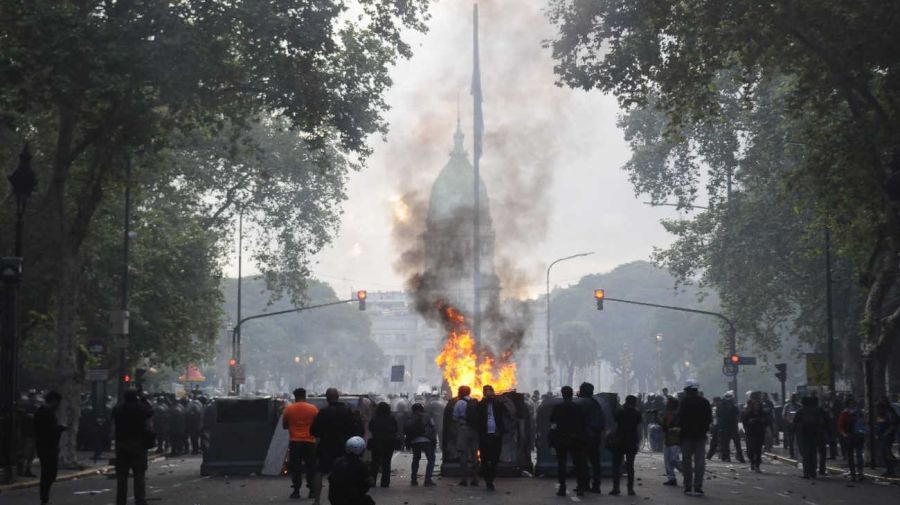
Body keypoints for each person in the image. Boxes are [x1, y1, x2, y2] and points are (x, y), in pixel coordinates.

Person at [311, 388, 363, 505]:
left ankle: (316, 500)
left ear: (327, 398)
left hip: (326, 447)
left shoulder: (323, 412)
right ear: (338, 397)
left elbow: (314, 430)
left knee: (319, 471)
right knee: (344, 472)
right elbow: (354, 430)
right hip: (343, 448)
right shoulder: (347, 411)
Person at [112, 389, 154, 505]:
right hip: (138, 443)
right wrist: (144, 399)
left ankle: (121, 501)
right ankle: (140, 500)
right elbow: (151, 412)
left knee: (121, 475)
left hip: (121, 443)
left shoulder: (118, 408)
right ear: (136, 397)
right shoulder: (141, 408)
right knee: (139, 474)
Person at [550, 385, 588, 496]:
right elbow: (582, 424)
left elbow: (553, 424)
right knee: (578, 464)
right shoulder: (578, 407)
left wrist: (552, 439)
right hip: (575, 439)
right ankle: (580, 487)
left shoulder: (558, 408)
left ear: (562, 394)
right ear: (572, 394)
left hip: (561, 439)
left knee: (561, 464)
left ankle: (562, 487)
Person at [283, 388, 319, 499]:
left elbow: (284, 426)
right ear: (305, 396)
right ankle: (312, 490)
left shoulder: (289, 409)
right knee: (311, 466)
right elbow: (317, 424)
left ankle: (296, 490)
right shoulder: (313, 409)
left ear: (295, 396)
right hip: (310, 441)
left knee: (296, 467)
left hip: (295, 441)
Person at [678, 380, 712, 497]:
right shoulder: (705, 402)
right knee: (700, 463)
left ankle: (688, 486)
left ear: (688, 391)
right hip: (700, 437)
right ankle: (698, 487)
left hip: (687, 437)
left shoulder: (684, 402)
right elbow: (709, 420)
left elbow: (680, 419)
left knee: (686, 462)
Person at [34, 391, 65, 505]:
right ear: (54, 401)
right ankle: (44, 497)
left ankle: (44, 497)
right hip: (48, 446)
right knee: (49, 473)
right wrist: (60, 429)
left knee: (47, 472)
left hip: (43, 446)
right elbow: (50, 431)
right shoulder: (48, 413)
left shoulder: (41, 412)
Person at [576, 382, 605, 493]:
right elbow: (601, 422)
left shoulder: (582, 403)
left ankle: (584, 485)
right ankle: (596, 485)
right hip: (595, 437)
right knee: (595, 462)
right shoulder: (596, 403)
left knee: (582, 462)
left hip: (584, 437)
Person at [475, 385, 506, 491]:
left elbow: (506, 413)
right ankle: (488, 480)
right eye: (486, 391)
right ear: (484, 393)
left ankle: (491, 478)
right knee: (484, 459)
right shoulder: (480, 405)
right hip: (485, 436)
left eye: (490, 391)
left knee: (495, 459)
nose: (488, 393)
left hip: (496, 436)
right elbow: (476, 419)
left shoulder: (498, 404)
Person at [611, 394, 642, 497]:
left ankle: (616, 488)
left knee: (616, 466)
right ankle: (630, 489)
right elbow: (638, 429)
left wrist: (612, 438)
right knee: (630, 466)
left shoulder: (619, 412)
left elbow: (615, 427)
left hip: (619, 441)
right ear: (634, 403)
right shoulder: (637, 414)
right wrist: (638, 442)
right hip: (631, 442)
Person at [328, 436, 374, 505]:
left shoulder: (337, 461)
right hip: (352, 498)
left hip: (334, 498)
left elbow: (330, 477)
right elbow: (370, 481)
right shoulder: (361, 465)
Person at [451, 385, 479, 486]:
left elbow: (454, 418)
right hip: (475, 431)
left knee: (463, 455)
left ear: (461, 392)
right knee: (474, 455)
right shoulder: (474, 401)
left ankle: (464, 479)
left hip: (463, 430)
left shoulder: (459, 403)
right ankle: (475, 479)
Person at [405, 402, 437, 487]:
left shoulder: (410, 417)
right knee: (431, 459)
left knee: (416, 459)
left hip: (415, 441)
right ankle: (427, 480)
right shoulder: (427, 416)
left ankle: (414, 479)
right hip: (427, 440)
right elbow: (433, 428)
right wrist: (434, 440)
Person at [794, 395, 826, 478]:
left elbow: (795, 422)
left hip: (803, 435)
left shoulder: (801, 411)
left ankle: (806, 473)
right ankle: (813, 472)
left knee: (805, 455)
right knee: (813, 453)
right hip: (815, 434)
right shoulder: (817, 411)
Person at [368, 401, 398, 488]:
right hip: (389, 444)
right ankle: (385, 483)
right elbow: (395, 429)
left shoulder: (375, 418)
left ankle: (372, 482)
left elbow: (371, 428)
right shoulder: (392, 418)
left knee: (375, 464)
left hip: (377, 443)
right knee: (386, 463)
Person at [836, 397, 866, 481]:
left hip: (851, 437)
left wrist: (844, 434)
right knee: (858, 455)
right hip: (858, 436)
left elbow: (840, 426)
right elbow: (865, 423)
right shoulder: (859, 412)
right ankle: (859, 473)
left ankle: (854, 474)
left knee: (852, 456)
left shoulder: (845, 413)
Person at [659, 396, 682, 486]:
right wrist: (659, 417)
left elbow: (679, 427)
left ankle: (686, 471)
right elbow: (664, 427)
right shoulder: (667, 415)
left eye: (668, 404)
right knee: (667, 461)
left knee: (673, 459)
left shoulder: (678, 415)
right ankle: (671, 478)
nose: (667, 405)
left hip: (675, 441)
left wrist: (671, 429)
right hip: (668, 439)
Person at [875, 396, 898, 477]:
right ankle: (890, 470)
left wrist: (886, 433)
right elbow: (879, 423)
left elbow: (893, 424)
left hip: (887, 436)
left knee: (885, 453)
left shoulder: (889, 411)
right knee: (884, 453)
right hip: (882, 435)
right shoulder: (881, 412)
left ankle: (892, 470)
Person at [743, 399, 768, 472]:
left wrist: (763, 421)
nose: (756, 407)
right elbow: (744, 422)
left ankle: (757, 465)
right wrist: (749, 422)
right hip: (750, 433)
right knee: (750, 449)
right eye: (755, 405)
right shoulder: (748, 413)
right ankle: (752, 462)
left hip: (759, 433)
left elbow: (767, 422)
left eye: (758, 405)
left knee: (758, 450)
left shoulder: (762, 413)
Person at [717, 392, 743, 462]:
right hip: (728, 426)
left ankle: (735, 456)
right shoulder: (724, 407)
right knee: (728, 443)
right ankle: (728, 456)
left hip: (730, 426)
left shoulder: (723, 407)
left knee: (731, 443)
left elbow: (719, 417)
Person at [782, 394, 801, 459]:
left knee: (798, 440)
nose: (793, 399)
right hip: (790, 425)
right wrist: (788, 421)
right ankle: (792, 454)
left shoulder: (799, 406)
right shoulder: (787, 406)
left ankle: (798, 454)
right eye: (792, 398)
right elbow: (784, 415)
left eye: (794, 398)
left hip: (797, 425)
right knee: (791, 440)